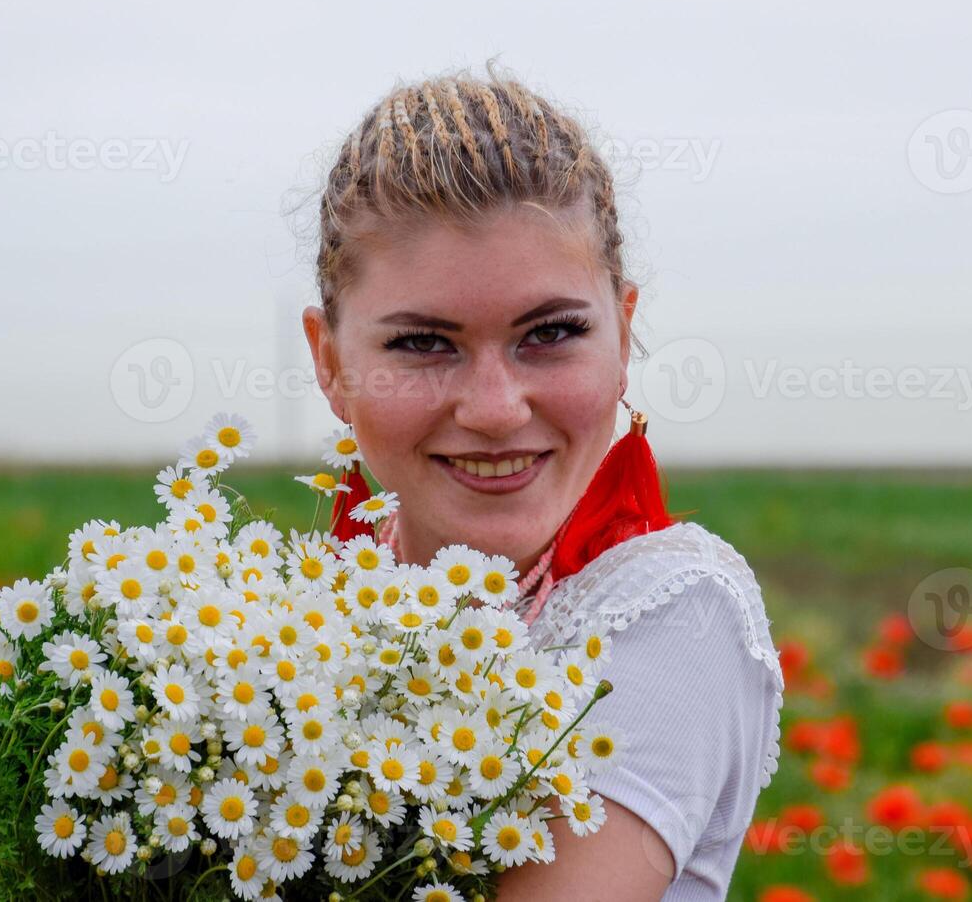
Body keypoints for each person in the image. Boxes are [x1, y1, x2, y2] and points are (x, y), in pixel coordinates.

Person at [301, 62, 783, 901]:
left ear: (624, 334)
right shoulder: (284, 613)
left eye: (551, 333)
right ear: (331, 363)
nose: (493, 408)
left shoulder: (674, 613)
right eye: (422, 344)